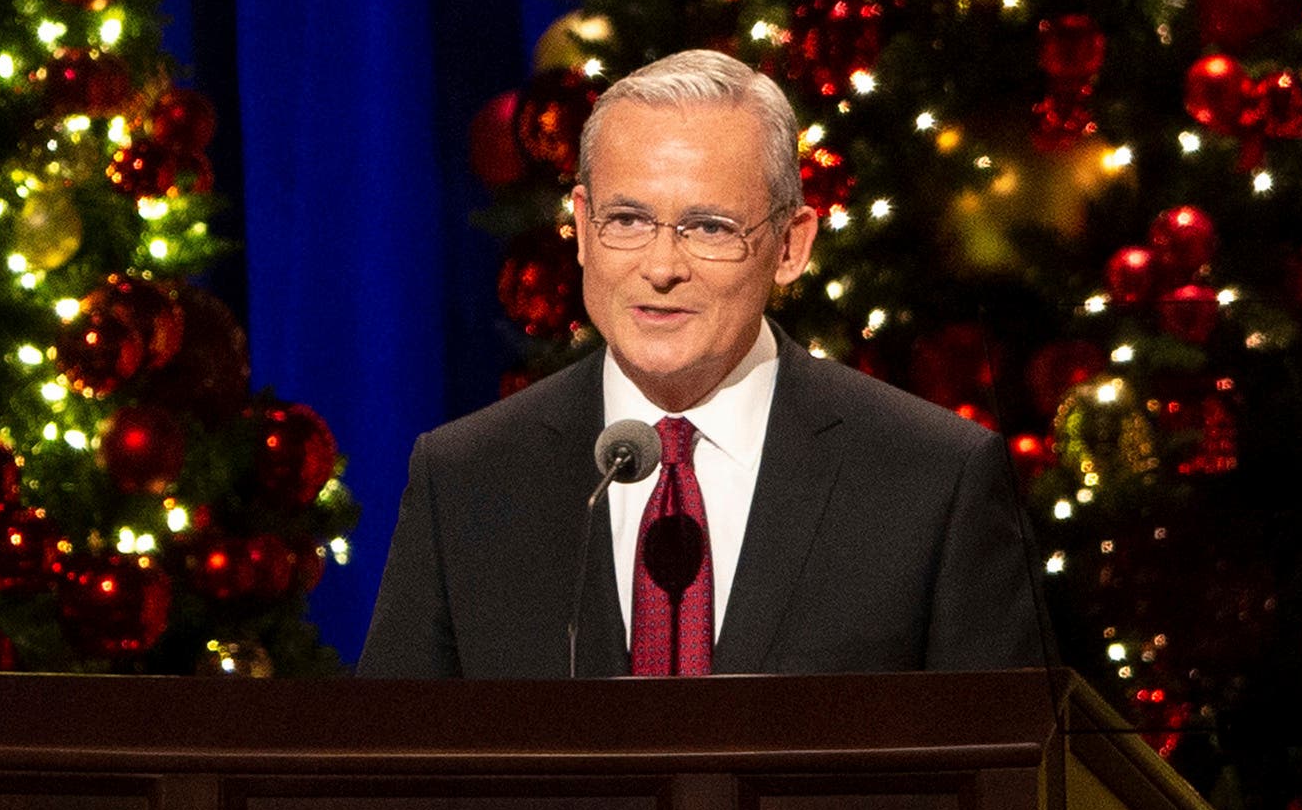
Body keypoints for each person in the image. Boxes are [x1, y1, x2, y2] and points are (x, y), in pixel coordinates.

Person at [356, 49, 1049, 678]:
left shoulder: (935, 480)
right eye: (627, 220)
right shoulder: (466, 481)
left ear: (789, 246)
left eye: (709, 227)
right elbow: (392, 783)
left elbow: (1003, 789)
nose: (661, 268)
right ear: (581, 227)